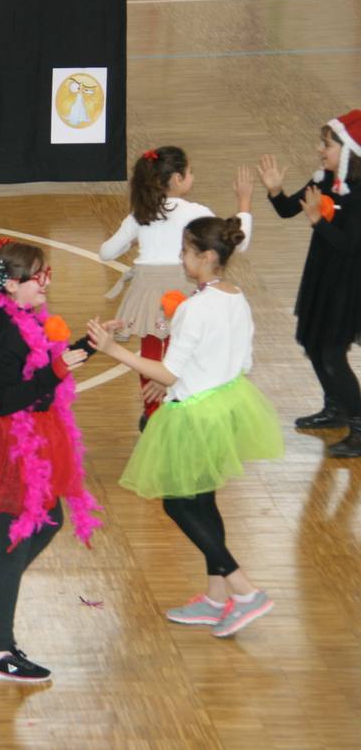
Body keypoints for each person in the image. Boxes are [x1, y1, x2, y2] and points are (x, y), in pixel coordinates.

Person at [88, 216, 284, 638]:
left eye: (185, 252)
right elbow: (241, 359)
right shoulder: (236, 296)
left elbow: (170, 372)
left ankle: (244, 590)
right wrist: (180, 365)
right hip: (227, 406)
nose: (181, 258)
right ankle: (216, 599)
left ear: (207, 257)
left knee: (178, 502)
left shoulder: (195, 308)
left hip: (194, 414)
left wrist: (111, 351)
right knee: (204, 500)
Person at [0, 240, 102, 683]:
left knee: (49, 520)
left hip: (31, 439)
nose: (47, 282)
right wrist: (59, 370)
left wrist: (90, 345)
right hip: (8, 446)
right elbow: (9, 400)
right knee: (12, 548)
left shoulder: (26, 318)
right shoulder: (4, 331)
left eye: (47, 274)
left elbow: (42, 370)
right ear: (11, 285)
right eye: (39, 276)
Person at [99, 147, 253, 427]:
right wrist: (244, 203)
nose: (192, 176)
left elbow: (106, 252)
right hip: (182, 290)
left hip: (148, 293)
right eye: (190, 172)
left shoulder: (139, 216)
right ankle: (178, 407)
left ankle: (152, 411)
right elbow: (235, 241)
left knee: (150, 352)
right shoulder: (196, 213)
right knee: (180, 350)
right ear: (177, 179)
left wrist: (132, 241)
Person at [258, 109, 361, 457]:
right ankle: (335, 409)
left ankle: (359, 427)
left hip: (349, 286)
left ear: (348, 151)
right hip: (322, 277)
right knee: (315, 346)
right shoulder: (325, 181)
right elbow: (290, 209)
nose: (320, 150)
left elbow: (350, 246)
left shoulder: (359, 191)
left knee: (332, 354)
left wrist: (318, 221)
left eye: (327, 144)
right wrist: (275, 191)